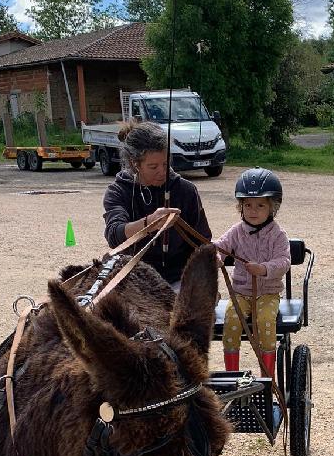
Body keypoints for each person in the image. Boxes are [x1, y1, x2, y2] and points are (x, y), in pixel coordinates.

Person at [102, 120, 211, 290]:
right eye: (153, 166)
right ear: (134, 164)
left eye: (165, 163)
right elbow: (114, 234)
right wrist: (149, 222)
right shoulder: (118, 191)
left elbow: (202, 240)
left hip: (179, 279)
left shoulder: (186, 190)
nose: (163, 171)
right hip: (133, 279)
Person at [212, 168, 291, 380]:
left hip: (268, 294)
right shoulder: (236, 231)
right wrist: (216, 257)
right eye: (247, 205)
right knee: (231, 321)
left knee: (265, 321)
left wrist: (264, 269)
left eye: (260, 205)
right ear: (240, 206)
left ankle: (267, 380)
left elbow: (284, 262)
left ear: (272, 208)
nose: (253, 210)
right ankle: (232, 379)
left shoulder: (278, 235)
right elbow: (219, 246)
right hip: (240, 293)